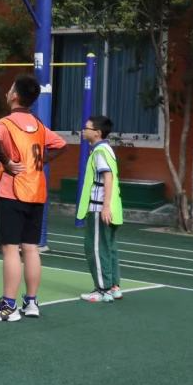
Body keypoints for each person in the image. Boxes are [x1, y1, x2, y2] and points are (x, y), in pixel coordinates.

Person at [0, 74, 67, 322]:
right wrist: (42, 162)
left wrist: (7, 163)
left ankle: (8, 305)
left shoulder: (6, 123)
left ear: (15, 96)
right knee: (31, 248)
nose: (7, 92)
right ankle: (31, 302)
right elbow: (61, 145)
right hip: (36, 191)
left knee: (10, 248)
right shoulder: (38, 124)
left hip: (13, 191)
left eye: (10, 89)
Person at [77, 115, 124, 302]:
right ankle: (113, 287)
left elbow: (108, 178)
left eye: (86, 128)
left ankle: (102, 290)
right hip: (111, 208)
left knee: (96, 248)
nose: (83, 130)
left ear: (97, 132)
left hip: (99, 208)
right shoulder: (107, 149)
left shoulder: (99, 152)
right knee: (109, 248)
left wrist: (105, 207)